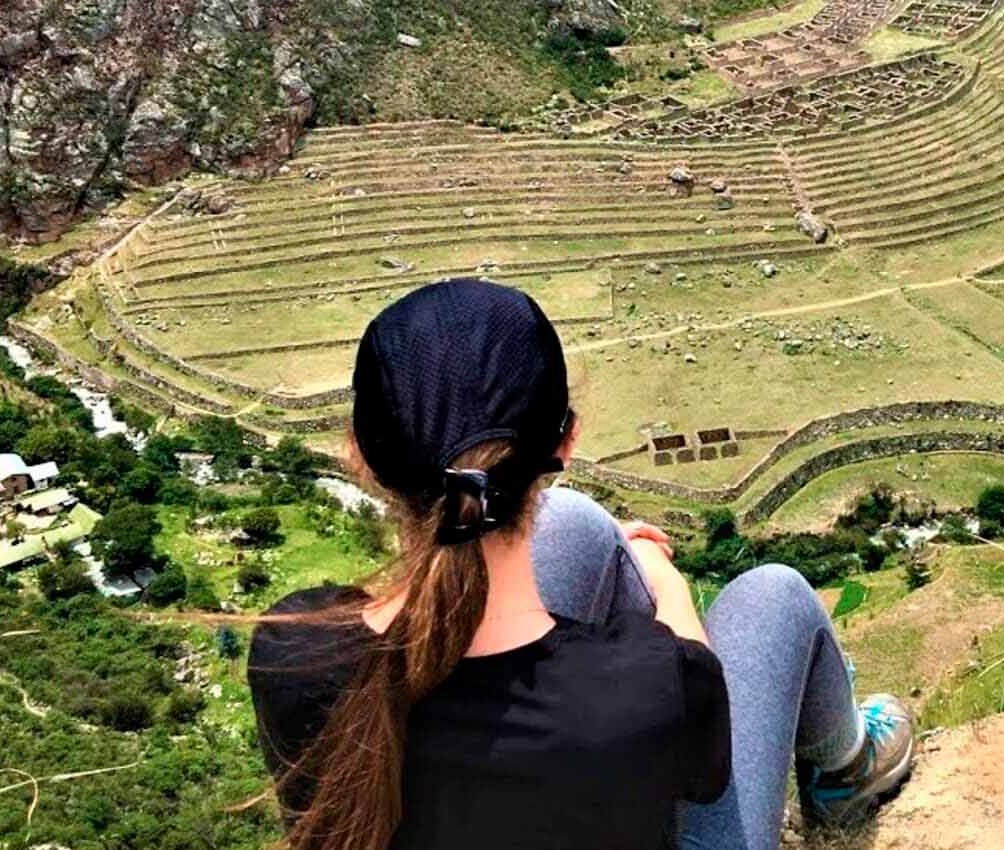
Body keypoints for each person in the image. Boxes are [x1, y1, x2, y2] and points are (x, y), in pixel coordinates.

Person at [246, 279, 914, 850]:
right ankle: (846, 775)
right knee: (775, 597)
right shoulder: (646, 693)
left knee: (577, 525)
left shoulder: (290, 648)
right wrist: (662, 576)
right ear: (566, 440)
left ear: (360, 455)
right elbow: (694, 686)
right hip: (627, 730)